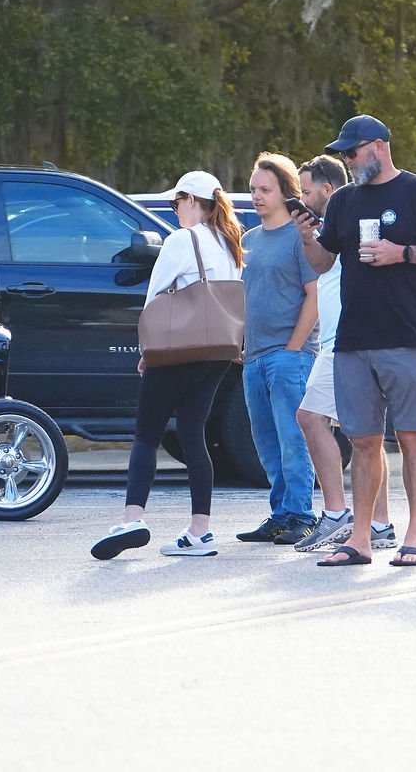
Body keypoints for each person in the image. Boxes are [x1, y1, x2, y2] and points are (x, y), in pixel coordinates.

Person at [294, 115, 416, 568]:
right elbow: (323, 262)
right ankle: (360, 538)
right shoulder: (343, 200)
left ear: (380, 146)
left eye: (353, 150)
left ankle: (415, 536)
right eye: (343, 152)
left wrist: (400, 253)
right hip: (352, 340)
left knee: (412, 437)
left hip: (406, 334)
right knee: (362, 440)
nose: (347, 158)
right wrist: (307, 238)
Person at [93, 170, 246, 560]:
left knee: (147, 433)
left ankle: (133, 518)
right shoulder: (230, 244)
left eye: (176, 202)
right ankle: (200, 531)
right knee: (193, 433)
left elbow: (156, 297)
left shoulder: (182, 240)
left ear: (193, 201)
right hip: (217, 352)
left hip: (179, 348)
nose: (173, 209)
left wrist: (148, 349)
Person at [291, 154, 396, 555]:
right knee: (366, 436)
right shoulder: (327, 229)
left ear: (328, 190)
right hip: (337, 341)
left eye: (306, 191)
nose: (301, 198)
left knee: (314, 417)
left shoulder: (346, 222)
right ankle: (380, 523)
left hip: (349, 342)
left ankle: (338, 513)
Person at [234, 153, 320, 546]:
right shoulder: (248, 241)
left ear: (287, 192)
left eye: (264, 189)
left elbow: (314, 296)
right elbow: (243, 298)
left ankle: (303, 514)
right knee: (266, 441)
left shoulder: (300, 238)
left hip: (290, 355)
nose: (256, 196)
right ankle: (280, 513)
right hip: (253, 356)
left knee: (292, 438)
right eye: (253, 189)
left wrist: (293, 348)